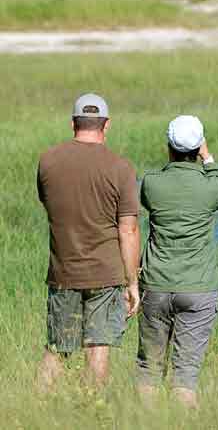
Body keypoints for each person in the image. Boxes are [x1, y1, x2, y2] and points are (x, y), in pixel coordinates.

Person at [36, 93, 141, 390]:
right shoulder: (121, 168)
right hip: (106, 276)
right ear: (106, 125)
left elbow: (48, 205)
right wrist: (132, 282)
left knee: (57, 348)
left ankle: (38, 407)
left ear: (73, 124)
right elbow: (129, 230)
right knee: (97, 348)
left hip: (63, 273)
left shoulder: (48, 161)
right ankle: (89, 413)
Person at [137, 115, 218, 408]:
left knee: (149, 369)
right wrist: (209, 157)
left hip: (156, 284)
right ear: (199, 146)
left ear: (169, 145)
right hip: (199, 288)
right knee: (185, 376)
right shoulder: (210, 185)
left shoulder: (152, 183)